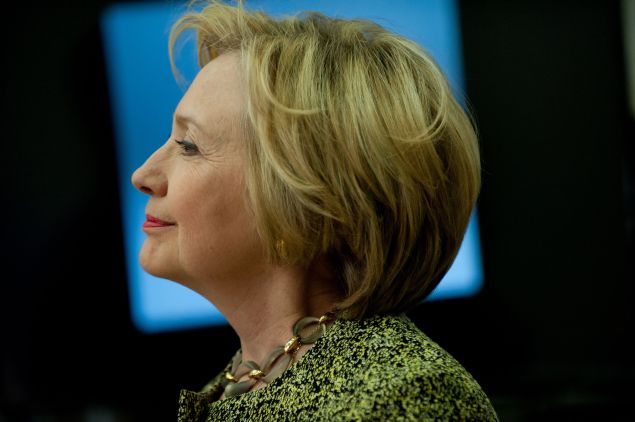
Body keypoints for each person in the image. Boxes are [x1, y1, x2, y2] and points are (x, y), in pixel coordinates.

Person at [131, 1, 498, 420]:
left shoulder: (403, 397)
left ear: (306, 207)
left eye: (189, 145)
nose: (143, 175)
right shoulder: (246, 379)